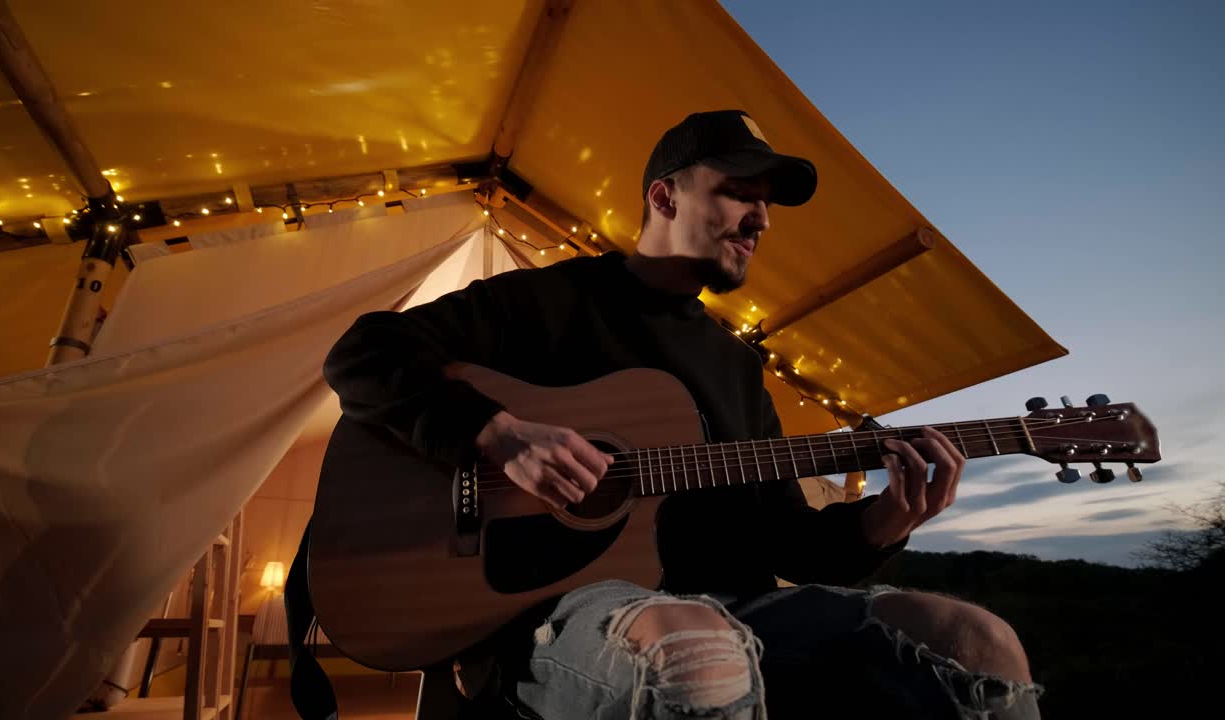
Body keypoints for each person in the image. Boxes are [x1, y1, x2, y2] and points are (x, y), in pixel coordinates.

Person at [323, 110, 1043, 719]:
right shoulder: (545, 303)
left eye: (767, 203)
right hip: (561, 619)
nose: (762, 218)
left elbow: (789, 541)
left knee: (975, 641)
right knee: (698, 651)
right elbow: (362, 354)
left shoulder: (739, 367)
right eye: (738, 193)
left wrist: (885, 521)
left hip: (739, 612)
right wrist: (497, 434)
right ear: (664, 197)